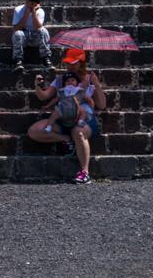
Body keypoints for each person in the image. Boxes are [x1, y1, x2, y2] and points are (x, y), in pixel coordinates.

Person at [29, 54, 106, 184]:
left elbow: (102, 105)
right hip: (64, 118)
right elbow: (44, 96)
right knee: (35, 131)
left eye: (73, 63)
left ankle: (84, 172)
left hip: (83, 119)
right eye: (68, 63)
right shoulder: (61, 79)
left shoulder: (90, 78)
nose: (69, 66)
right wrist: (38, 86)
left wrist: (96, 84)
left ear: (81, 63)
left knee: (79, 132)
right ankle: (67, 140)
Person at [10, 0, 49, 66]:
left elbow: (37, 27)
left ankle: (45, 57)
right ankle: (18, 59)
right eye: (28, 1)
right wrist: (26, 15)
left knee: (43, 31)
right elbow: (16, 28)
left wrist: (34, 13)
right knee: (18, 33)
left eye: (32, 3)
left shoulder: (40, 11)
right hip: (23, 38)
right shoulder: (18, 10)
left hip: (35, 38)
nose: (29, 4)